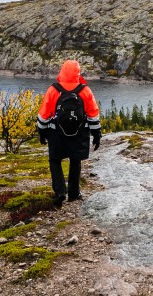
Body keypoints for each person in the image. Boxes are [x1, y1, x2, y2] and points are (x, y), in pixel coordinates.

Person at [36, 60, 101, 206]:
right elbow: (93, 115)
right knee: (75, 160)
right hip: (78, 133)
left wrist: (42, 132)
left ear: (62, 71)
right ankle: (74, 193)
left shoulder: (54, 90)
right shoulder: (85, 90)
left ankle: (59, 192)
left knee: (55, 160)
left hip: (56, 133)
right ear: (78, 72)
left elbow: (43, 115)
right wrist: (97, 134)